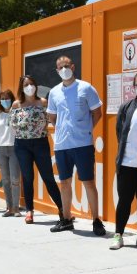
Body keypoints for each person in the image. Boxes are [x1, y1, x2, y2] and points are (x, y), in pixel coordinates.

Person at [46, 55, 105, 235]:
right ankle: (66, 219)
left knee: (88, 182)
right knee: (64, 183)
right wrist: (62, 131)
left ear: (73, 66)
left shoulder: (86, 88)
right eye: (60, 67)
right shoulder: (54, 92)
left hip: (83, 144)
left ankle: (96, 220)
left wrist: (86, 130)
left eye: (66, 65)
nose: (64, 69)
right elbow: (52, 117)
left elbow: (97, 113)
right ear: (56, 71)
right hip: (62, 145)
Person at [11, 75, 64, 224]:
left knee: (48, 177)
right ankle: (29, 210)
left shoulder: (43, 102)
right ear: (22, 88)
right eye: (26, 85)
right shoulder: (16, 105)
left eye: (32, 84)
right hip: (22, 145)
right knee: (27, 178)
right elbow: (13, 125)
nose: (30, 87)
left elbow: (52, 120)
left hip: (40, 143)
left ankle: (62, 209)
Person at [110, 72, 137, 250]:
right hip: (127, 162)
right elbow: (119, 131)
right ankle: (118, 234)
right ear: (133, 86)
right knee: (124, 199)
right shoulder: (126, 107)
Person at [0, 89, 21, 217]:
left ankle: (16, 208)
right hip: (0, 149)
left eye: (7, 98)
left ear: (12, 99)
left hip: (14, 148)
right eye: (2, 99)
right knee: (6, 180)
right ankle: (9, 207)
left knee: (15, 179)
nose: (5, 101)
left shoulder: (16, 112)